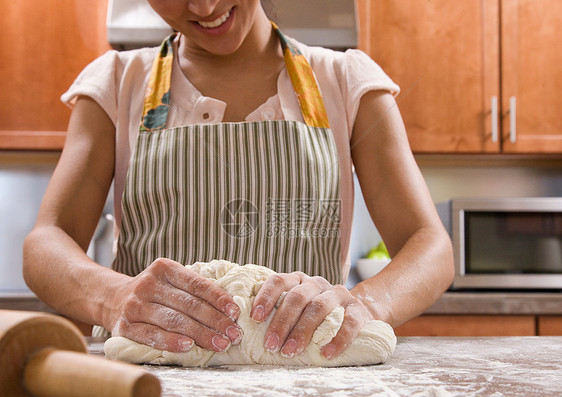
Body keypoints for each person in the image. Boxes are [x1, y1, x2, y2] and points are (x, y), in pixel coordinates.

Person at [23, 0, 454, 360]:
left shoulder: (345, 83)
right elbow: (47, 241)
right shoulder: (117, 84)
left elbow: (429, 244)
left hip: (305, 373)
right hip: (153, 373)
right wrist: (114, 296)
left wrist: (365, 304)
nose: (203, 6)